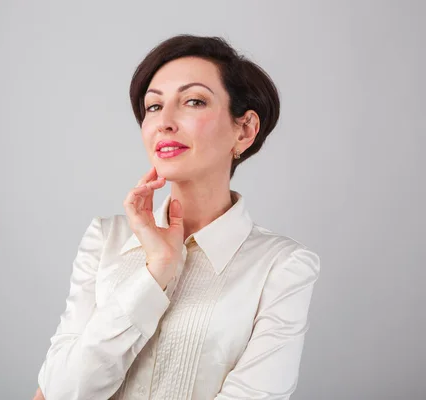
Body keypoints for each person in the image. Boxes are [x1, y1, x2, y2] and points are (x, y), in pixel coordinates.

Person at [33, 34, 320, 400]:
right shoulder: (105, 239)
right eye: (153, 107)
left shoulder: (282, 267)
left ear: (244, 129)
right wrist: (157, 269)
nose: (164, 122)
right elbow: (60, 392)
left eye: (194, 101)